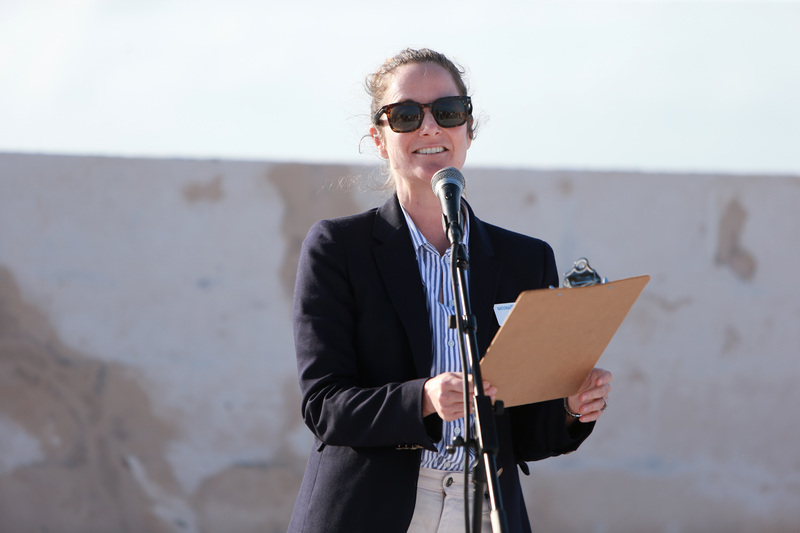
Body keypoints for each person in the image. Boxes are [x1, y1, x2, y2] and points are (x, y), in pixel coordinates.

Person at [288, 48, 612, 533]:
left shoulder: (527, 259)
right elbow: (325, 407)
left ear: (468, 128)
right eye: (405, 115)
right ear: (380, 139)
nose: (429, 127)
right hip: (370, 510)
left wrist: (569, 409)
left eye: (447, 111)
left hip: (486, 507)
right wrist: (423, 398)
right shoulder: (338, 248)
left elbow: (523, 435)